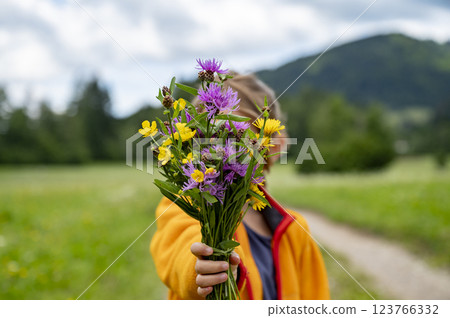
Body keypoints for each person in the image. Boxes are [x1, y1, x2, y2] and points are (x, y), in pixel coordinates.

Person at [150, 73, 330, 300]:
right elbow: (178, 243)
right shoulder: (185, 200)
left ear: (274, 145)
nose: (217, 147)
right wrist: (198, 267)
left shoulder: (296, 230)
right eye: (204, 135)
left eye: (234, 134)